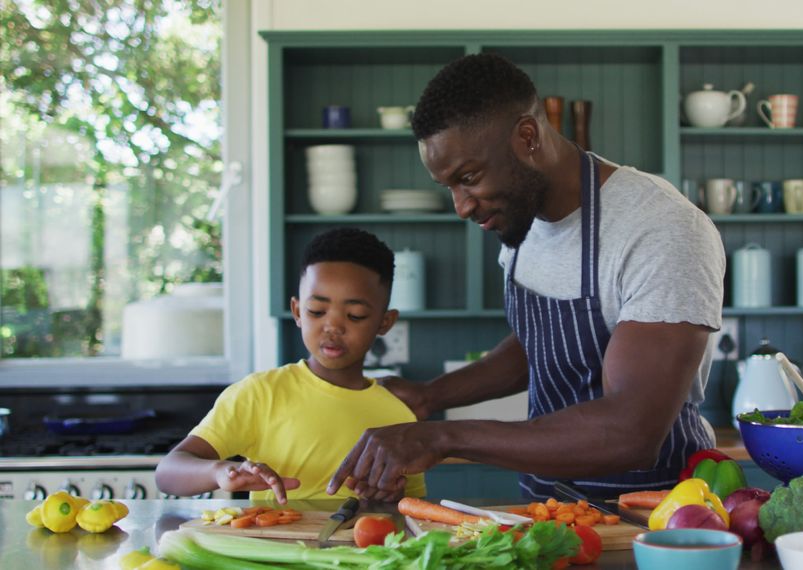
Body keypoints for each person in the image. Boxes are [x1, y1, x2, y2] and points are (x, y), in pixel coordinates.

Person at [327, 53, 725, 502]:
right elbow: (537, 344)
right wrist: (428, 396)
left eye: (469, 177)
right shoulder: (521, 216)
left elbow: (630, 432)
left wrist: (442, 438)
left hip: (656, 517)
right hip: (550, 505)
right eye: (450, 187)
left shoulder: (660, 229)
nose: (462, 206)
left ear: (527, 137)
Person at [156, 228, 425, 503]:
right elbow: (167, 472)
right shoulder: (260, 394)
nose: (332, 327)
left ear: (385, 322)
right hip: (275, 544)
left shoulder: (397, 413)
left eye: (355, 316)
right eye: (317, 312)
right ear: (297, 311)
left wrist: (392, 497)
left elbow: (413, 507)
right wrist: (221, 471)